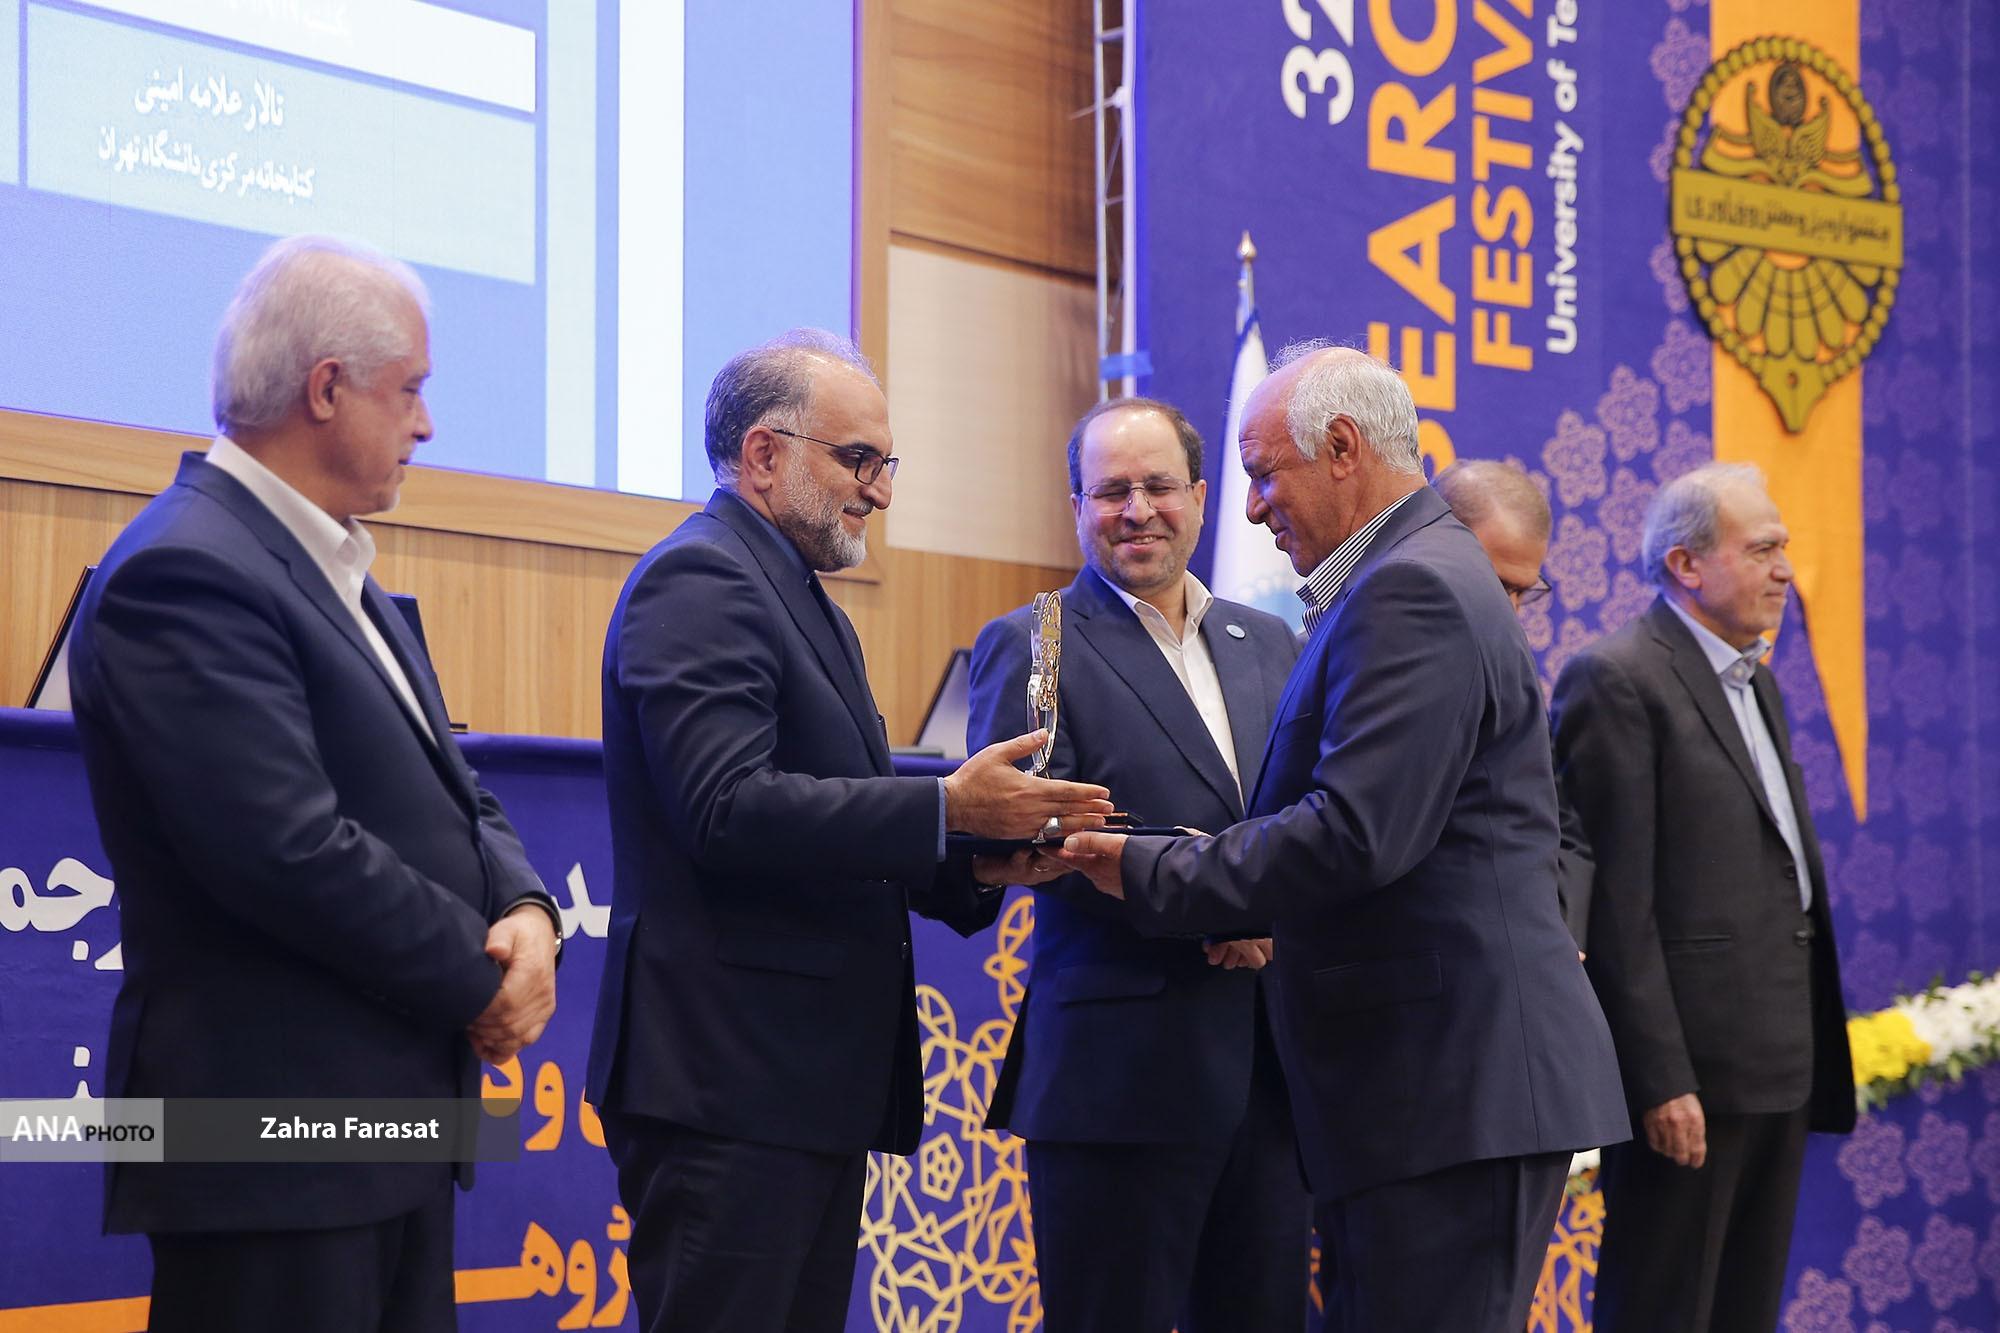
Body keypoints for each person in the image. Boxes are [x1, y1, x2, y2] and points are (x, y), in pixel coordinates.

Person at [1057, 345, 1628, 1333]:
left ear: (1343, 448)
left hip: (1448, 1088)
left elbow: (1355, 833)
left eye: (1262, 473)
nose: (1250, 509)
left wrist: (1146, 864)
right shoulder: (1407, 578)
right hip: (1424, 1091)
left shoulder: (1410, 589)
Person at [66, 235, 563, 1332]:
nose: (427, 426)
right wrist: (479, 983)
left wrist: (527, 910)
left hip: (382, 1140)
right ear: (327, 388)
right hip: (273, 1154)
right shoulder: (186, 568)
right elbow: (283, 850)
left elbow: (452, 788)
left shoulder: (337, 569)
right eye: (411, 391)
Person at [586, 329, 1113, 1333]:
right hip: (725, 1083)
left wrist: (991, 860)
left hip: (793, 1087)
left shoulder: (802, 600)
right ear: (763, 454)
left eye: (886, 463)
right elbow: (725, 807)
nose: (879, 491)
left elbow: (839, 815)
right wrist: (946, 808)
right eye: (858, 459)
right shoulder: (699, 579)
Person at [967, 397, 1309, 1333]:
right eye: (1111, 490)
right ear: (1077, 505)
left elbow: (1309, 815)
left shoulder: (1270, 640)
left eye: (1159, 485)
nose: (1138, 510)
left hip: (1272, 1076)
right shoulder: (1033, 641)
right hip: (1116, 1082)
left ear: (1199, 496)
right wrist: (1224, 907)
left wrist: (1271, 913)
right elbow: (1034, 839)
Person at [1549, 462, 1855, 1332]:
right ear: (1685, 564)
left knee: (1742, 1312)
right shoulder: (1617, 678)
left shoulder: (1760, 680)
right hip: (1688, 1083)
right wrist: (1660, 1079)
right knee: (1664, 1309)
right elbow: (1618, 905)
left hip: (1778, 1067)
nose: (1786, 569)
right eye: (1762, 549)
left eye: (1784, 547)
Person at [1434, 458, 1596, 947]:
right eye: (1498, 584)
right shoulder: (1353, 661)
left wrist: (1558, 929)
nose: (1512, 611)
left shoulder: (1513, 674)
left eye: (1524, 591)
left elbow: (1561, 830)